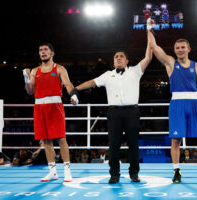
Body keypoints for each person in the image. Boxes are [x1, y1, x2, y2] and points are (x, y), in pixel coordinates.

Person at [147, 19, 197, 184]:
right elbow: (154, 47)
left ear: (188, 49)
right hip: (177, 105)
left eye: (183, 47)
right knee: (175, 140)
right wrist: (149, 29)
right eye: (177, 48)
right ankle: (176, 172)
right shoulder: (170, 63)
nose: (180, 50)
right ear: (174, 50)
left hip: (195, 104)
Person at [73, 31, 152, 184]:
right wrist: (75, 89)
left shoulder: (135, 71)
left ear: (127, 60)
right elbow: (91, 83)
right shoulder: (108, 75)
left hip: (132, 111)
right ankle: (114, 174)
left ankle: (134, 173)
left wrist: (149, 33)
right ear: (114, 61)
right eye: (116, 57)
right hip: (114, 112)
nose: (118, 58)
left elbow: (148, 56)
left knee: (133, 144)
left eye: (121, 56)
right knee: (113, 144)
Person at [22, 42, 78, 182]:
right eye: (40, 50)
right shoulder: (35, 71)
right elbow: (30, 91)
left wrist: (73, 94)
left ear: (52, 53)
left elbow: (67, 83)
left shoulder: (59, 68)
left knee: (61, 138)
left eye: (46, 50)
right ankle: (52, 171)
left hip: (55, 106)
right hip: (39, 106)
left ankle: (67, 171)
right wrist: (26, 78)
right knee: (46, 140)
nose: (43, 52)